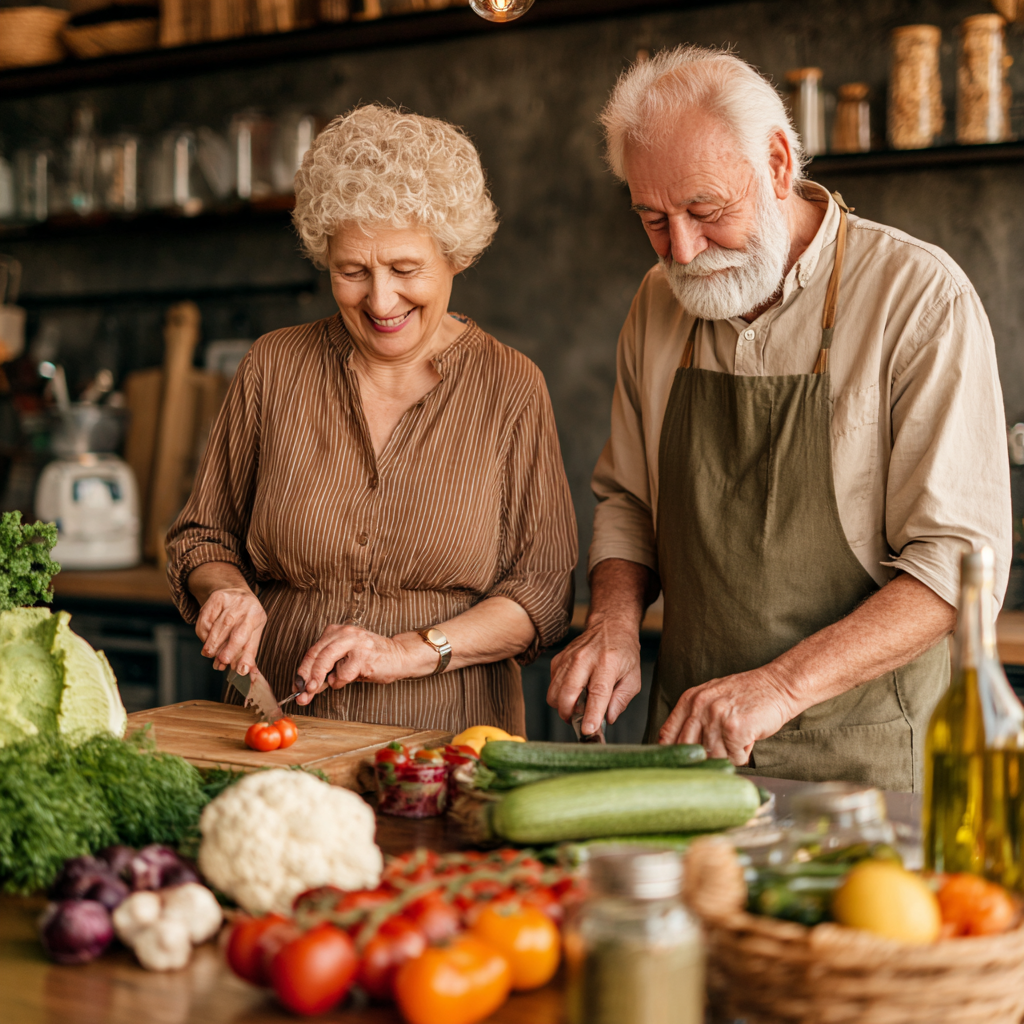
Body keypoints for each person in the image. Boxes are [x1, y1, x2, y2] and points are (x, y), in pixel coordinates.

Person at [548, 46, 1011, 791]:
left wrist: (782, 686)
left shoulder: (918, 298)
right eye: (654, 220)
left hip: (869, 762)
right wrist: (611, 622)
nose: (684, 250)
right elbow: (629, 503)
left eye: (705, 211)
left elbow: (956, 570)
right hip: (690, 753)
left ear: (776, 161)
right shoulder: (657, 303)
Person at [166, 104, 577, 735]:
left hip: (445, 742)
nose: (380, 300)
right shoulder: (274, 367)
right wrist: (224, 589)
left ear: (455, 257)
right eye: (351, 272)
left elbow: (543, 596)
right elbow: (203, 538)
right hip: (277, 734)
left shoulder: (510, 386)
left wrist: (406, 651)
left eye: (406, 270)